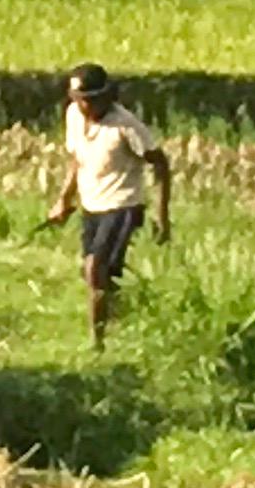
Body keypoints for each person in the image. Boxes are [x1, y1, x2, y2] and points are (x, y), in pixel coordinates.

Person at [44, 63, 170, 344]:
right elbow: (76, 159)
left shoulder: (126, 126)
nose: (84, 105)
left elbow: (160, 164)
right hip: (92, 204)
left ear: (106, 96)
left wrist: (162, 216)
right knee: (96, 275)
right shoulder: (74, 116)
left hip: (123, 205)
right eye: (79, 99)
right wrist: (63, 200)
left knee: (94, 268)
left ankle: (97, 341)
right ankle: (130, 314)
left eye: (90, 99)